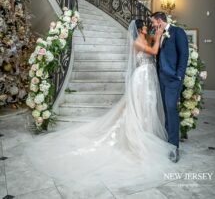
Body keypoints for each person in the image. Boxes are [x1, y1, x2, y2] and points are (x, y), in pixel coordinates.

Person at [25, 19, 177, 190]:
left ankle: (148, 131)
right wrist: (157, 36)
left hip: (149, 77)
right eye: (144, 26)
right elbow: (154, 51)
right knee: (140, 107)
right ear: (140, 29)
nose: (147, 28)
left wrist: (158, 34)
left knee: (148, 107)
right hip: (141, 78)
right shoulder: (137, 42)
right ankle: (139, 135)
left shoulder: (146, 38)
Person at [150, 12, 189, 163]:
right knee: (166, 110)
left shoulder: (177, 32)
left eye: (153, 22)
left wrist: (179, 75)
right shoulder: (158, 34)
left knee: (171, 109)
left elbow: (184, 55)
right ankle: (168, 142)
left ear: (159, 21)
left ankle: (174, 147)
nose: (152, 25)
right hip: (161, 78)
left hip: (173, 79)